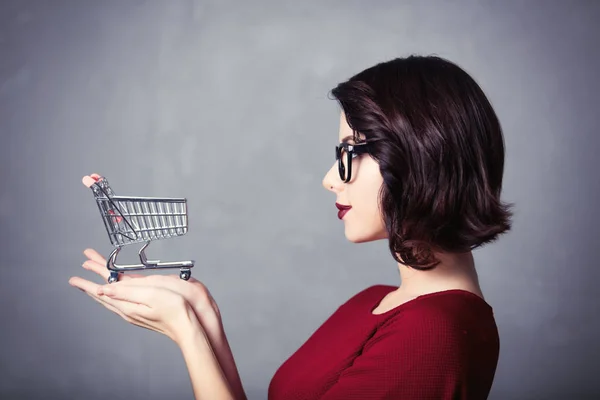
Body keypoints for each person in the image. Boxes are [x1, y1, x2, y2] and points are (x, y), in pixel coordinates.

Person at [69, 55, 513, 400]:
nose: (329, 178)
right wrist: (202, 317)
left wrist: (184, 332)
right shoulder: (373, 304)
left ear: (419, 155)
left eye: (349, 153)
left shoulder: (434, 334)